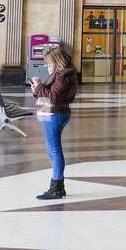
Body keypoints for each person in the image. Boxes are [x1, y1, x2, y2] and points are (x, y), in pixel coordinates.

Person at [30, 47, 79, 199]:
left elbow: (53, 98)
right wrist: (36, 89)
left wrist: (38, 86)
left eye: (48, 63)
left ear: (56, 61)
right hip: (52, 113)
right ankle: (58, 186)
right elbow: (49, 94)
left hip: (55, 113)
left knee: (55, 151)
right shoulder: (61, 74)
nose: (47, 66)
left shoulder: (62, 76)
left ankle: (56, 187)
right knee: (51, 151)